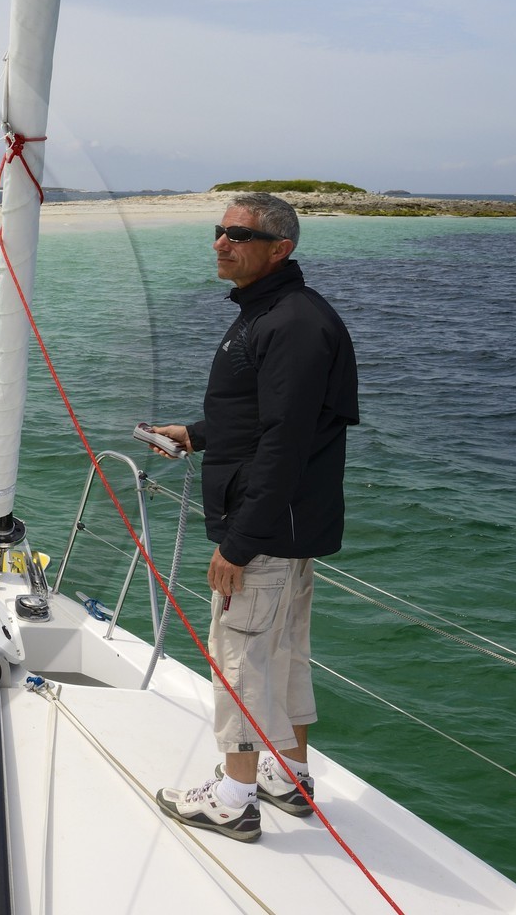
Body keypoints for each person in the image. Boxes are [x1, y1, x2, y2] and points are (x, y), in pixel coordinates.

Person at [149, 192, 359, 842]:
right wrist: (197, 434)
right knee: (286, 655)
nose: (220, 242)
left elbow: (286, 443)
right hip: (289, 525)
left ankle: (234, 797)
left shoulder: (289, 323)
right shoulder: (274, 314)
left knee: (239, 656)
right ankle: (287, 777)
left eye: (237, 234)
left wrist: (240, 544)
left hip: (266, 527)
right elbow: (261, 419)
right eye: (219, 231)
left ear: (280, 250)